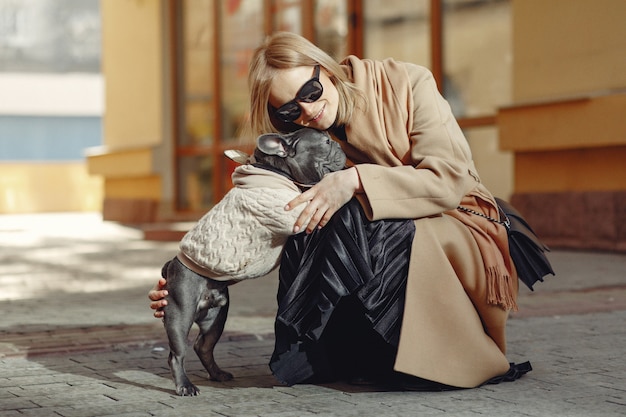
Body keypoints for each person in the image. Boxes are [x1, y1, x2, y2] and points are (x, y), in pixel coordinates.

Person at [150, 31, 530, 390]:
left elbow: (449, 180)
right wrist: (192, 277)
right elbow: (262, 224)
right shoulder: (304, 143)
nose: (307, 111)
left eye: (311, 91)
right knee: (317, 214)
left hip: (458, 219)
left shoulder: (408, 83)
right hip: (383, 229)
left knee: (360, 215)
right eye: (288, 111)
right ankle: (348, 353)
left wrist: (354, 181)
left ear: (327, 70)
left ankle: (430, 356)